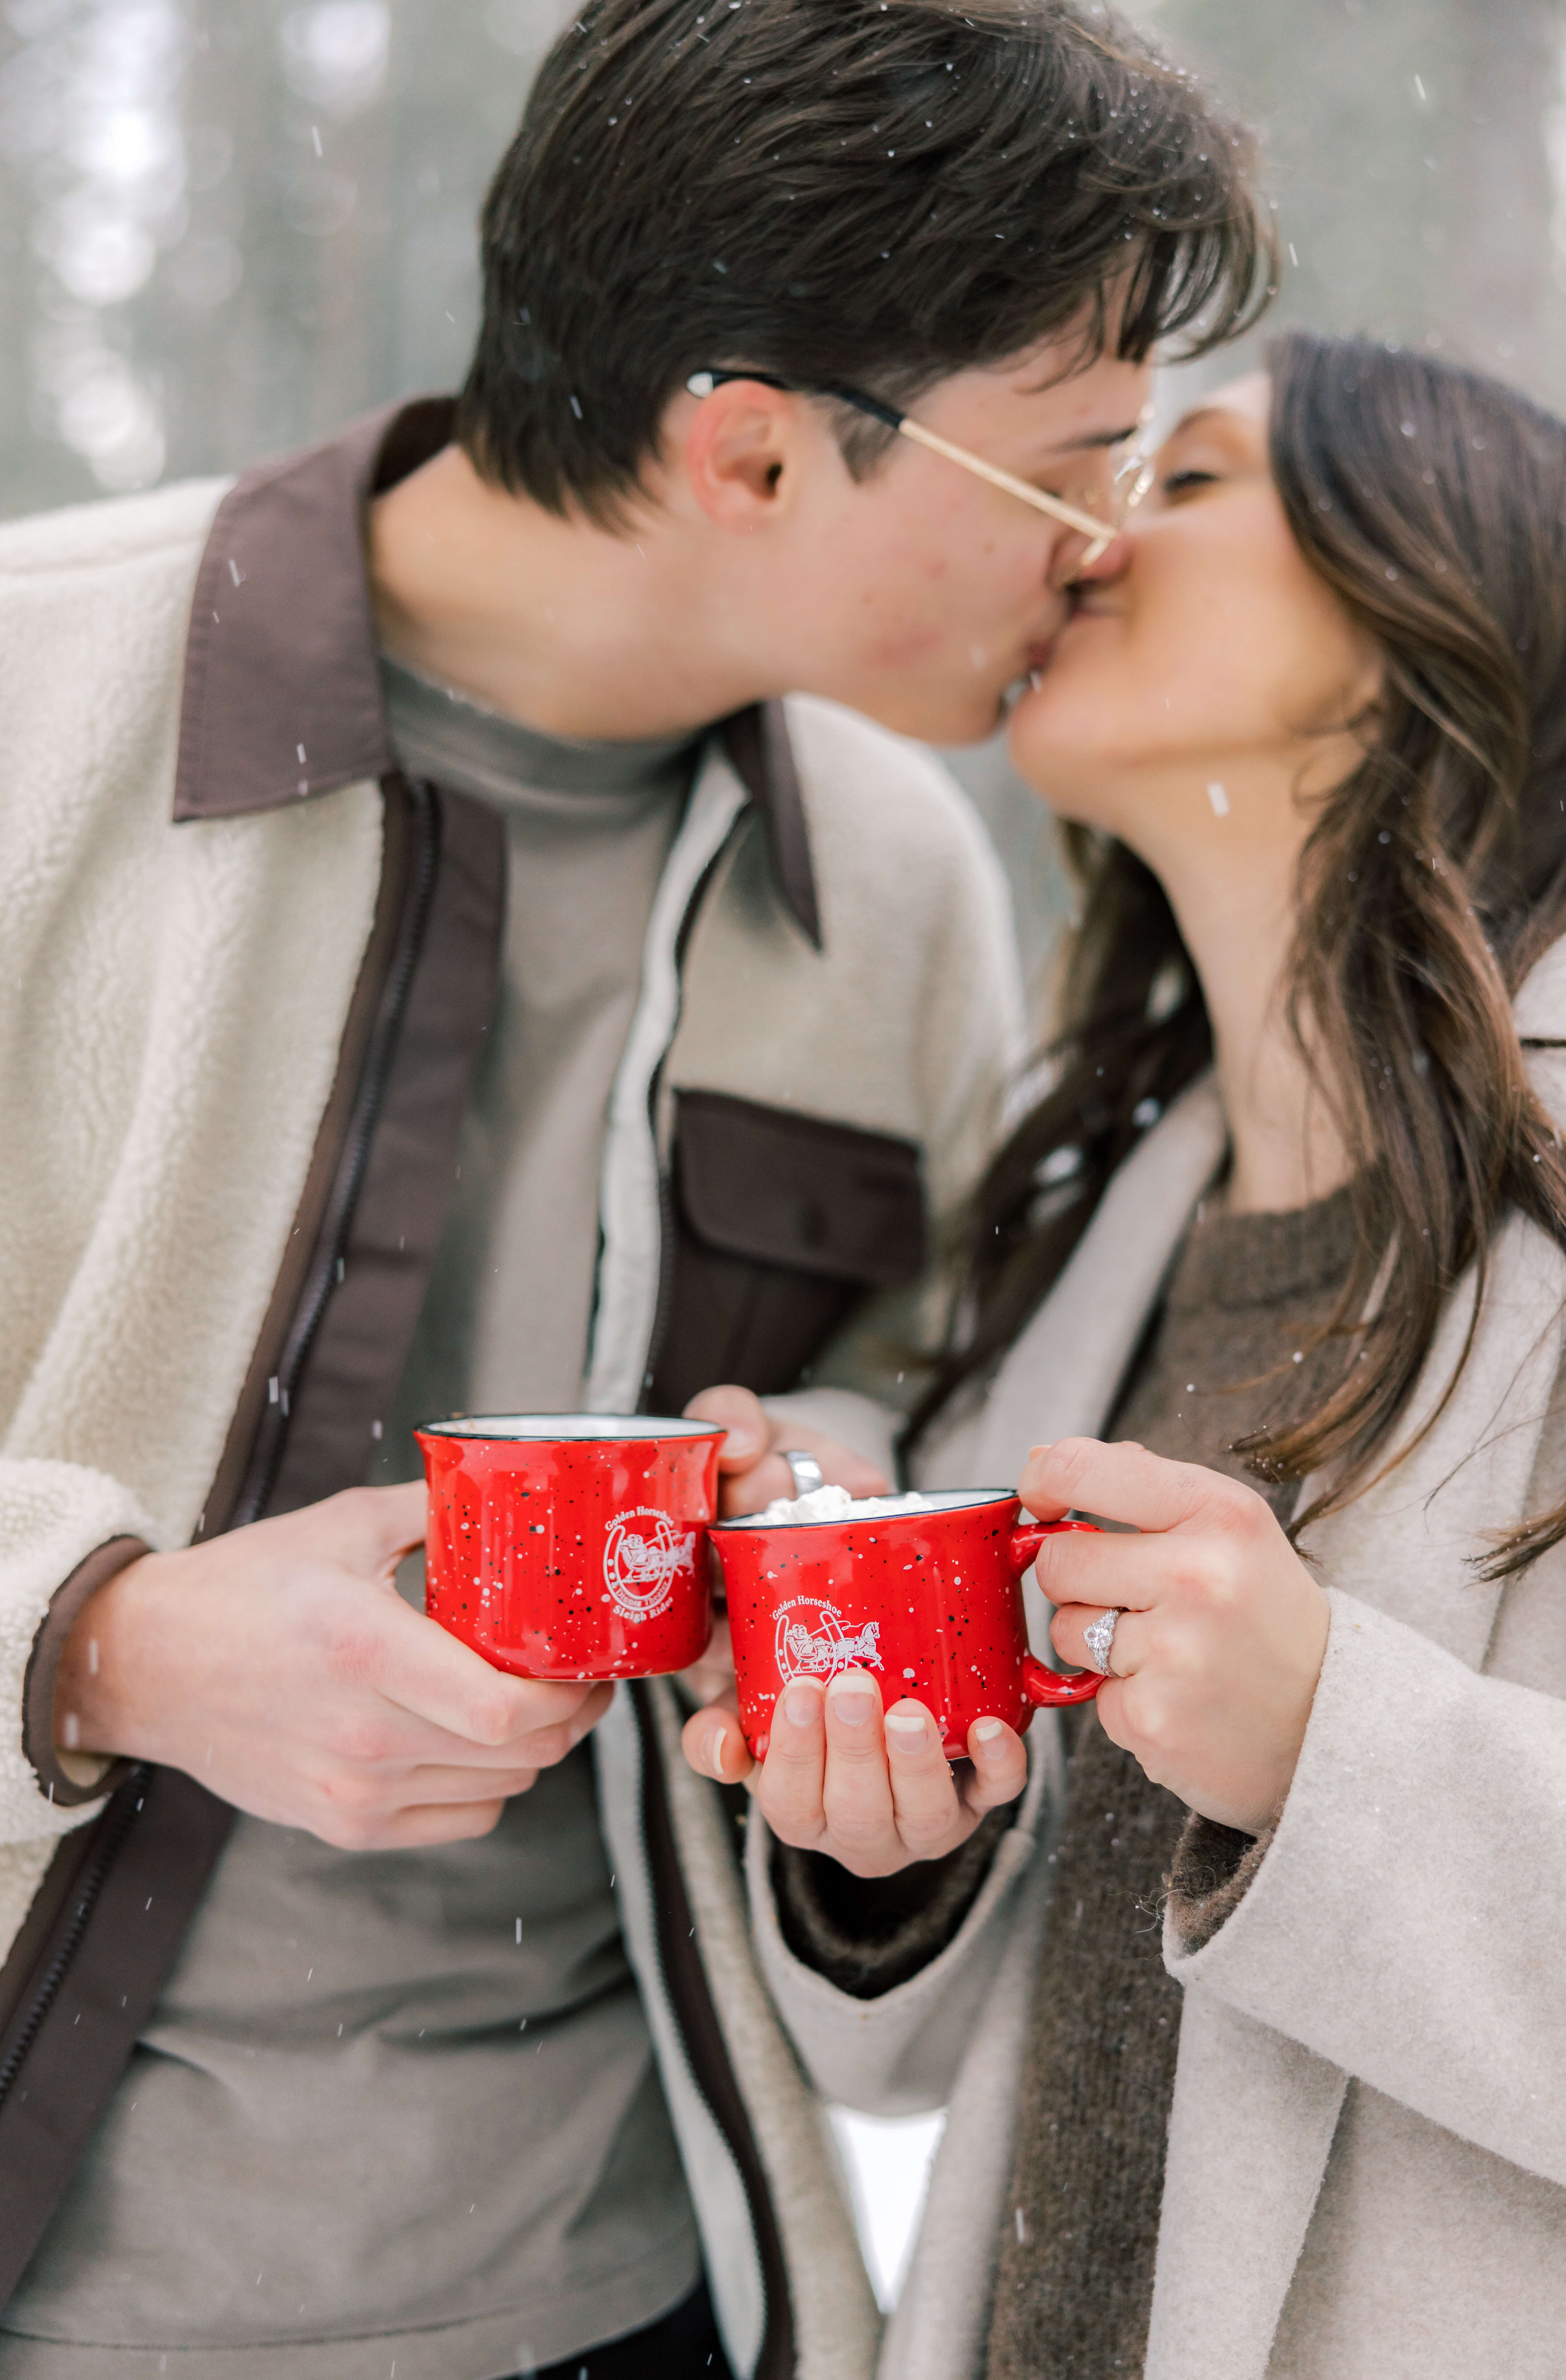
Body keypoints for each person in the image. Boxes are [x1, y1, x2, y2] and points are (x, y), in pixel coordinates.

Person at [0, 2, 1269, 2374]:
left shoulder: (899, 883)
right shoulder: (27, 704)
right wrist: (100, 1642)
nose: (1106, 551)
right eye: (1073, 466)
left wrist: (834, 1564)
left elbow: (888, 1415)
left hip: (644, 2301)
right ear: (756, 454)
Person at [690, 331, 1566, 2380]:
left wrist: (1323, 1746)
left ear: (1435, 592)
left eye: (1185, 485)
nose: (1085, 535)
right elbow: (928, 2055)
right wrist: (887, 1824)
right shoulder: (1106, 1225)